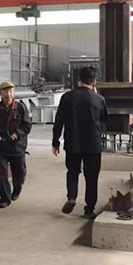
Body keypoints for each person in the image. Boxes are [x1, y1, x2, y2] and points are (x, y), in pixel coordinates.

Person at [51, 66, 108, 220]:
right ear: (94, 82)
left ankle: (71, 198)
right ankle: (89, 210)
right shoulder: (99, 99)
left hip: (73, 143)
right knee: (92, 178)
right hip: (93, 145)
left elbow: (59, 121)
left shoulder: (67, 97)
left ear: (79, 80)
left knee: (72, 171)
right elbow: (104, 122)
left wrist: (55, 142)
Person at [0, 80, 32, 209]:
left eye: (11, 91)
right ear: (0, 93)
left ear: (14, 92)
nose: (8, 94)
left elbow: (27, 125)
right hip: (1, 147)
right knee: (1, 173)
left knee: (20, 174)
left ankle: (16, 190)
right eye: (5, 91)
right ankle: (5, 199)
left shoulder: (20, 107)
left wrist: (17, 134)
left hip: (17, 147)